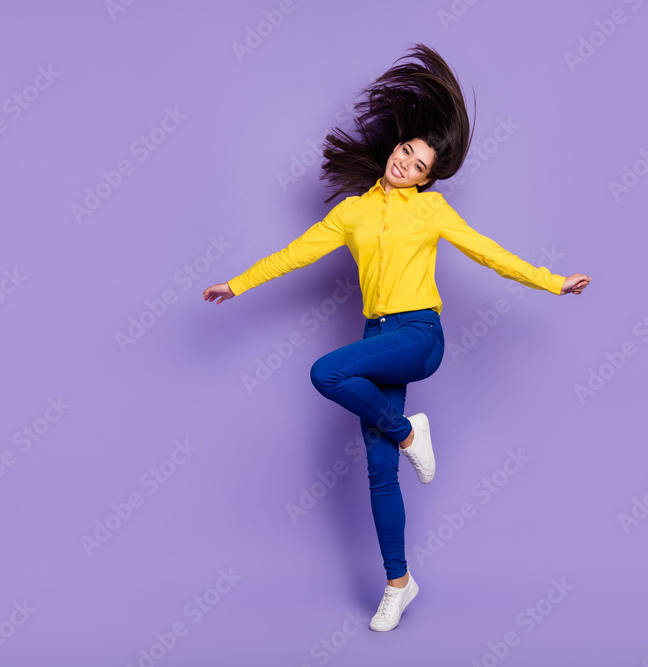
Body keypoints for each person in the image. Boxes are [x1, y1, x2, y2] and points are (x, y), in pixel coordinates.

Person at [202, 44, 591, 632]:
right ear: (395, 149)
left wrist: (552, 282)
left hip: (418, 334)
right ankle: (399, 582)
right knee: (379, 471)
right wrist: (236, 284)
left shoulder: (431, 211)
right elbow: (294, 254)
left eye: (417, 164)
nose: (405, 164)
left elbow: (489, 254)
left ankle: (412, 432)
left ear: (429, 178)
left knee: (325, 372)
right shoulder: (352, 214)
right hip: (376, 336)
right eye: (404, 152)